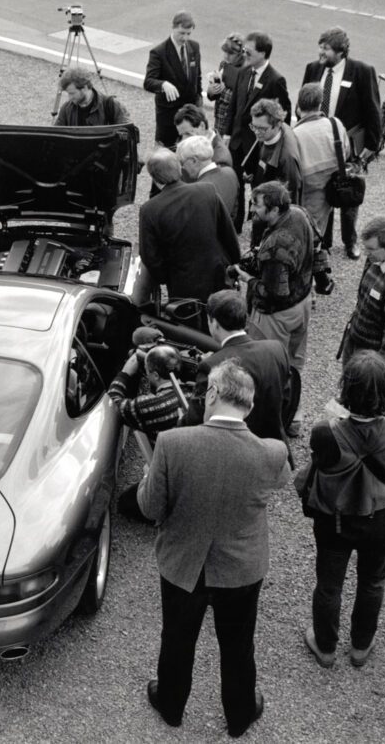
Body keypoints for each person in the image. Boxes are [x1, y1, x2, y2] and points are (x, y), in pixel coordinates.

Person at [139, 359, 290, 738]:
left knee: (177, 639)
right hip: (241, 568)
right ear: (249, 407)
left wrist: (147, 478)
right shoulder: (272, 452)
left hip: (183, 563)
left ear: (211, 393)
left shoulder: (172, 444)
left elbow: (150, 508)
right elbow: (281, 482)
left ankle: (171, 705)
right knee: (238, 645)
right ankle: (239, 714)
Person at [301, 351, 385, 669]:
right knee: (373, 581)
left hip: (336, 518)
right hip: (380, 515)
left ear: (346, 389)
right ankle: (361, 646)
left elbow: (320, 461)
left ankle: (325, 647)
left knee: (329, 584)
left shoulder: (324, 430)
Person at [238, 181, 316, 431]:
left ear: (273, 209)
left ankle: (272, 422)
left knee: (268, 369)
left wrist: (248, 279)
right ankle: (295, 416)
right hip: (302, 304)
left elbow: (275, 294)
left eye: (257, 205)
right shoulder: (299, 213)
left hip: (276, 316)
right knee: (294, 363)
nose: (252, 209)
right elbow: (318, 246)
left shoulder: (276, 248)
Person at [302, 27, 381, 259]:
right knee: (323, 192)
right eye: (320, 46)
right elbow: (304, 103)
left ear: (341, 51)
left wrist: (372, 146)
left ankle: (350, 241)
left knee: (348, 195)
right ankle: (323, 241)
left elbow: (373, 109)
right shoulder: (313, 68)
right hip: (321, 144)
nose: (321, 52)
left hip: (348, 147)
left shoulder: (362, 72)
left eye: (326, 48)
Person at [183, 290, 291, 450]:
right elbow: (286, 398)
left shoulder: (212, 365)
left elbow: (196, 419)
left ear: (214, 322)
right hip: (274, 445)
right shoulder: (276, 349)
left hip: (235, 450)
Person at [136, 149, 239, 304]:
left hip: (182, 286)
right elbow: (228, 233)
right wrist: (233, 264)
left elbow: (150, 256)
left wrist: (166, 277)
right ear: (179, 168)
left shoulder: (149, 210)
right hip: (218, 275)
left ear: (154, 177)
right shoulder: (207, 191)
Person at [108, 343, 187, 521]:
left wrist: (125, 373)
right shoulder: (190, 393)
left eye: (148, 371)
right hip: (188, 467)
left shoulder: (151, 405)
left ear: (156, 375)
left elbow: (113, 402)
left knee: (124, 504)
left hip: (170, 477)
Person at [225, 32, 291, 229]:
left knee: (259, 190)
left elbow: (283, 114)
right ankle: (235, 225)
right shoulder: (244, 72)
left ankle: (259, 228)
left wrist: (273, 142)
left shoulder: (276, 80)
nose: (244, 54)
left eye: (249, 51)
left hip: (258, 146)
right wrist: (227, 133)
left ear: (263, 53)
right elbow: (234, 106)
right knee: (235, 185)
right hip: (237, 142)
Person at [338, 217, 385, 370]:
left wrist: (379, 372)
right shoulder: (376, 258)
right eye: (365, 247)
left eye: (371, 249)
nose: (366, 253)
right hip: (356, 338)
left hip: (373, 355)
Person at [293, 82, 349, 238]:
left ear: (299, 105)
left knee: (306, 231)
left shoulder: (295, 133)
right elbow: (346, 152)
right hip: (332, 185)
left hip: (307, 189)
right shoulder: (335, 124)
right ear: (320, 104)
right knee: (318, 228)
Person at [144, 11, 203, 148]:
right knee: (167, 152)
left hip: (190, 114)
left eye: (188, 34)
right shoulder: (159, 52)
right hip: (168, 116)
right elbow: (148, 81)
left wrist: (199, 102)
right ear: (173, 27)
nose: (185, 38)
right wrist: (163, 84)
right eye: (181, 33)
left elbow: (197, 77)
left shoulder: (194, 47)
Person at [242, 99, 302, 204]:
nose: (256, 132)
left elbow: (290, 201)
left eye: (262, 128)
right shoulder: (267, 134)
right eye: (254, 126)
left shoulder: (286, 158)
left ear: (278, 124)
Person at [176, 135, 238, 220]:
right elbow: (234, 209)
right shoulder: (230, 172)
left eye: (182, 163)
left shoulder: (196, 191)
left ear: (194, 161)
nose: (183, 168)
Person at [54, 67, 130, 127]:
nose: (70, 98)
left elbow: (128, 134)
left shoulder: (111, 106)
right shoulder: (66, 109)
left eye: (72, 93)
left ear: (84, 88)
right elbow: (56, 136)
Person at [205, 33, 245, 138]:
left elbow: (243, 100)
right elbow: (212, 96)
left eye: (231, 53)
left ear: (240, 54)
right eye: (225, 52)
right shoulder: (224, 64)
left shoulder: (246, 71)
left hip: (233, 125)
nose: (226, 56)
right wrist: (212, 90)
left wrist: (224, 91)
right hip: (219, 119)